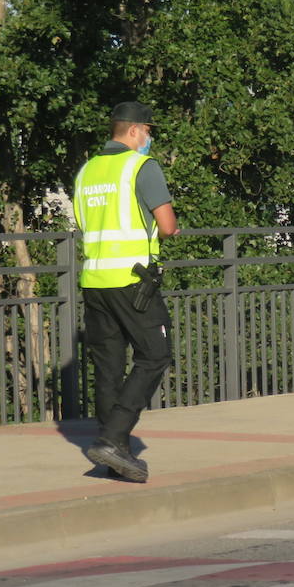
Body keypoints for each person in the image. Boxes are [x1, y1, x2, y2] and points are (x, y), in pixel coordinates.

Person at [71, 101, 179, 482]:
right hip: (131, 281)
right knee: (155, 354)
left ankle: (115, 456)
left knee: (108, 368)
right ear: (133, 131)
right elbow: (167, 226)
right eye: (148, 131)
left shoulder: (86, 172)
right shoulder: (140, 167)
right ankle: (115, 438)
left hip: (94, 282)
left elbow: (86, 224)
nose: (149, 138)